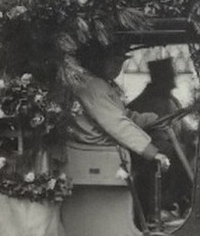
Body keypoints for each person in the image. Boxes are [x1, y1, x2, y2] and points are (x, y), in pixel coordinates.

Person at [69, 40, 171, 173]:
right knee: (168, 151)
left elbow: (123, 115)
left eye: (121, 62)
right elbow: (117, 124)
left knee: (164, 145)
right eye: (116, 61)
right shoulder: (93, 86)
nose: (118, 68)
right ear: (99, 59)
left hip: (107, 146)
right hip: (102, 149)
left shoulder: (101, 83)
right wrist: (153, 153)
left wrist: (152, 119)